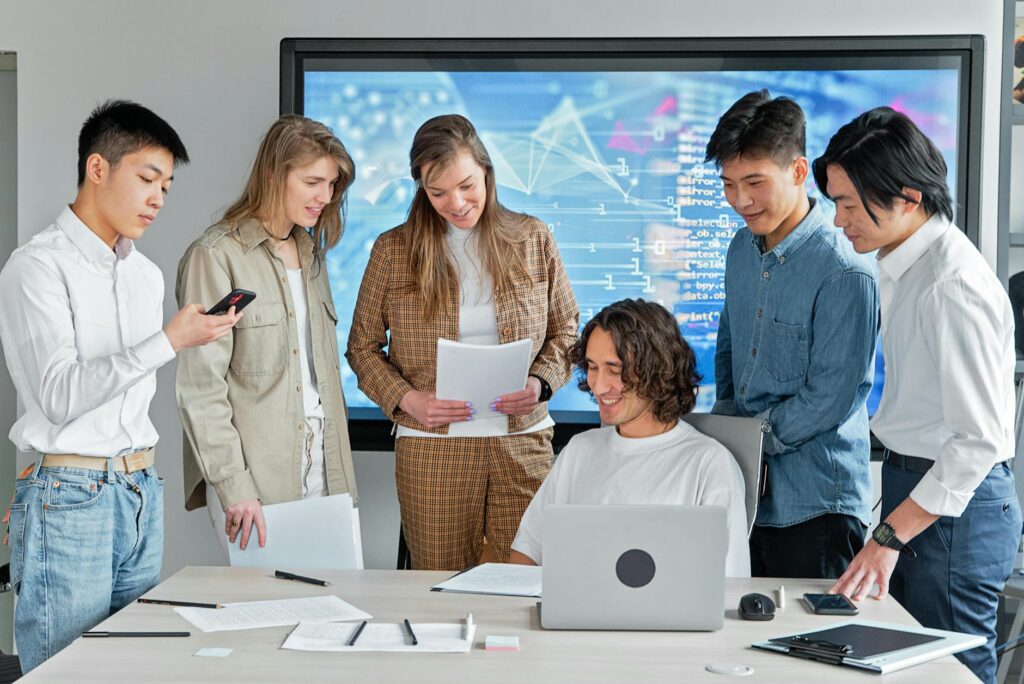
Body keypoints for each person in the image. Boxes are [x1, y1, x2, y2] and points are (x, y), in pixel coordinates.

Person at [0, 100, 239, 672]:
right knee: (66, 669)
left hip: (138, 491)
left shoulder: (144, 274)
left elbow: (126, 385)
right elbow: (58, 395)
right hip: (70, 494)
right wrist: (167, 342)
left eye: (168, 186)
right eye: (147, 179)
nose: (158, 198)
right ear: (97, 169)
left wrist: (182, 338)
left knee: (130, 667)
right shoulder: (36, 267)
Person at [820, 107, 1021, 684]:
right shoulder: (903, 263)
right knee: (905, 667)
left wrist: (888, 536)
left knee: (951, 672)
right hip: (919, 491)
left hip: (958, 508)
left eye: (850, 205)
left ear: (908, 197)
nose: (838, 221)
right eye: (835, 203)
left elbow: (979, 441)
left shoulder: (951, 285)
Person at [347, 114, 579, 571]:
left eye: (467, 185)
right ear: (421, 189)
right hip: (432, 449)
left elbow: (566, 328)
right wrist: (408, 400)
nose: (456, 203)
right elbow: (362, 348)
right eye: (438, 193)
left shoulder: (532, 237)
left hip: (522, 443)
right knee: (439, 589)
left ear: (488, 173)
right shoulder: (393, 250)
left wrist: (540, 384)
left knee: (530, 584)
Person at [705, 89, 879, 579]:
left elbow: (831, 397)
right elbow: (729, 350)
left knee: (810, 649)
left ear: (799, 172)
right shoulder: (740, 249)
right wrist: (724, 441)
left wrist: (749, 441)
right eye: (729, 184)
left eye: (754, 182)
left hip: (816, 505)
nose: (740, 201)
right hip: (745, 496)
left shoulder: (844, 271)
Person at [176, 115, 359, 554]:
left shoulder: (312, 254)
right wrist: (235, 485)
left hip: (326, 466)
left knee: (336, 610)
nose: (325, 196)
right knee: (267, 612)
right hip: (257, 475)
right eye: (313, 181)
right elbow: (201, 387)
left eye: (332, 184)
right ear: (275, 173)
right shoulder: (217, 256)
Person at [508, 298, 749, 577]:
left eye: (615, 369)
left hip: (665, 621)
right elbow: (527, 551)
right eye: (593, 367)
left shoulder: (709, 464)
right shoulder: (580, 451)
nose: (598, 386)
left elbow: (730, 586)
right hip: (574, 619)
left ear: (658, 369)